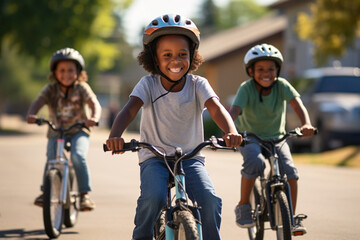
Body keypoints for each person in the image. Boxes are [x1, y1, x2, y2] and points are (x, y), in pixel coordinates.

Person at [106, 14, 242, 240]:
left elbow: (217, 109)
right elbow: (130, 109)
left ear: (192, 56)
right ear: (154, 60)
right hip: (154, 157)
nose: (175, 61)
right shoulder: (148, 84)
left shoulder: (198, 85)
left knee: (210, 200)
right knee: (153, 198)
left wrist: (231, 132)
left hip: (190, 158)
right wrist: (115, 136)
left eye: (182, 54)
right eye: (167, 55)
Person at [229, 43, 315, 236]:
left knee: (290, 172)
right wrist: (228, 130)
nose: (266, 73)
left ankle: (291, 217)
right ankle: (243, 205)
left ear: (278, 70)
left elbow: (297, 104)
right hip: (251, 137)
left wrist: (306, 124)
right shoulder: (246, 88)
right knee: (255, 163)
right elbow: (235, 110)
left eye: (271, 69)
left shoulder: (282, 86)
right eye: (260, 69)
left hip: (277, 138)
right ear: (250, 71)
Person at [26, 47, 101, 211]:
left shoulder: (82, 88)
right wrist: (32, 114)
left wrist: (94, 117)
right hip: (56, 130)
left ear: (78, 72)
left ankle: (84, 195)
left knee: (78, 155)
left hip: (78, 130)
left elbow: (94, 103)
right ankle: (46, 191)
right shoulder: (50, 89)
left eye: (71, 70)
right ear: (54, 72)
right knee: (52, 157)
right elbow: (38, 102)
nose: (66, 74)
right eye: (62, 70)